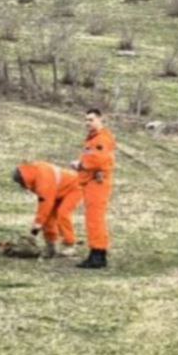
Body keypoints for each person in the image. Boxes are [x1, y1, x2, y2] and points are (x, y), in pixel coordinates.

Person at [72, 108, 116, 269]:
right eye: (86, 120)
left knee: (95, 219)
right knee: (93, 219)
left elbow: (98, 159)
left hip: (97, 183)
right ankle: (96, 252)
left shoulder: (101, 139)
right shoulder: (93, 139)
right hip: (91, 182)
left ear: (100, 119)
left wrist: (81, 165)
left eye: (91, 120)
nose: (87, 123)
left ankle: (98, 254)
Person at [12, 162, 82, 258]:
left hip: (75, 187)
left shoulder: (43, 183)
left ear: (23, 178)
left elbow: (44, 208)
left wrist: (34, 231)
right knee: (48, 218)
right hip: (58, 191)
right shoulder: (34, 173)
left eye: (20, 182)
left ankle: (70, 245)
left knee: (62, 214)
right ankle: (51, 246)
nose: (21, 186)